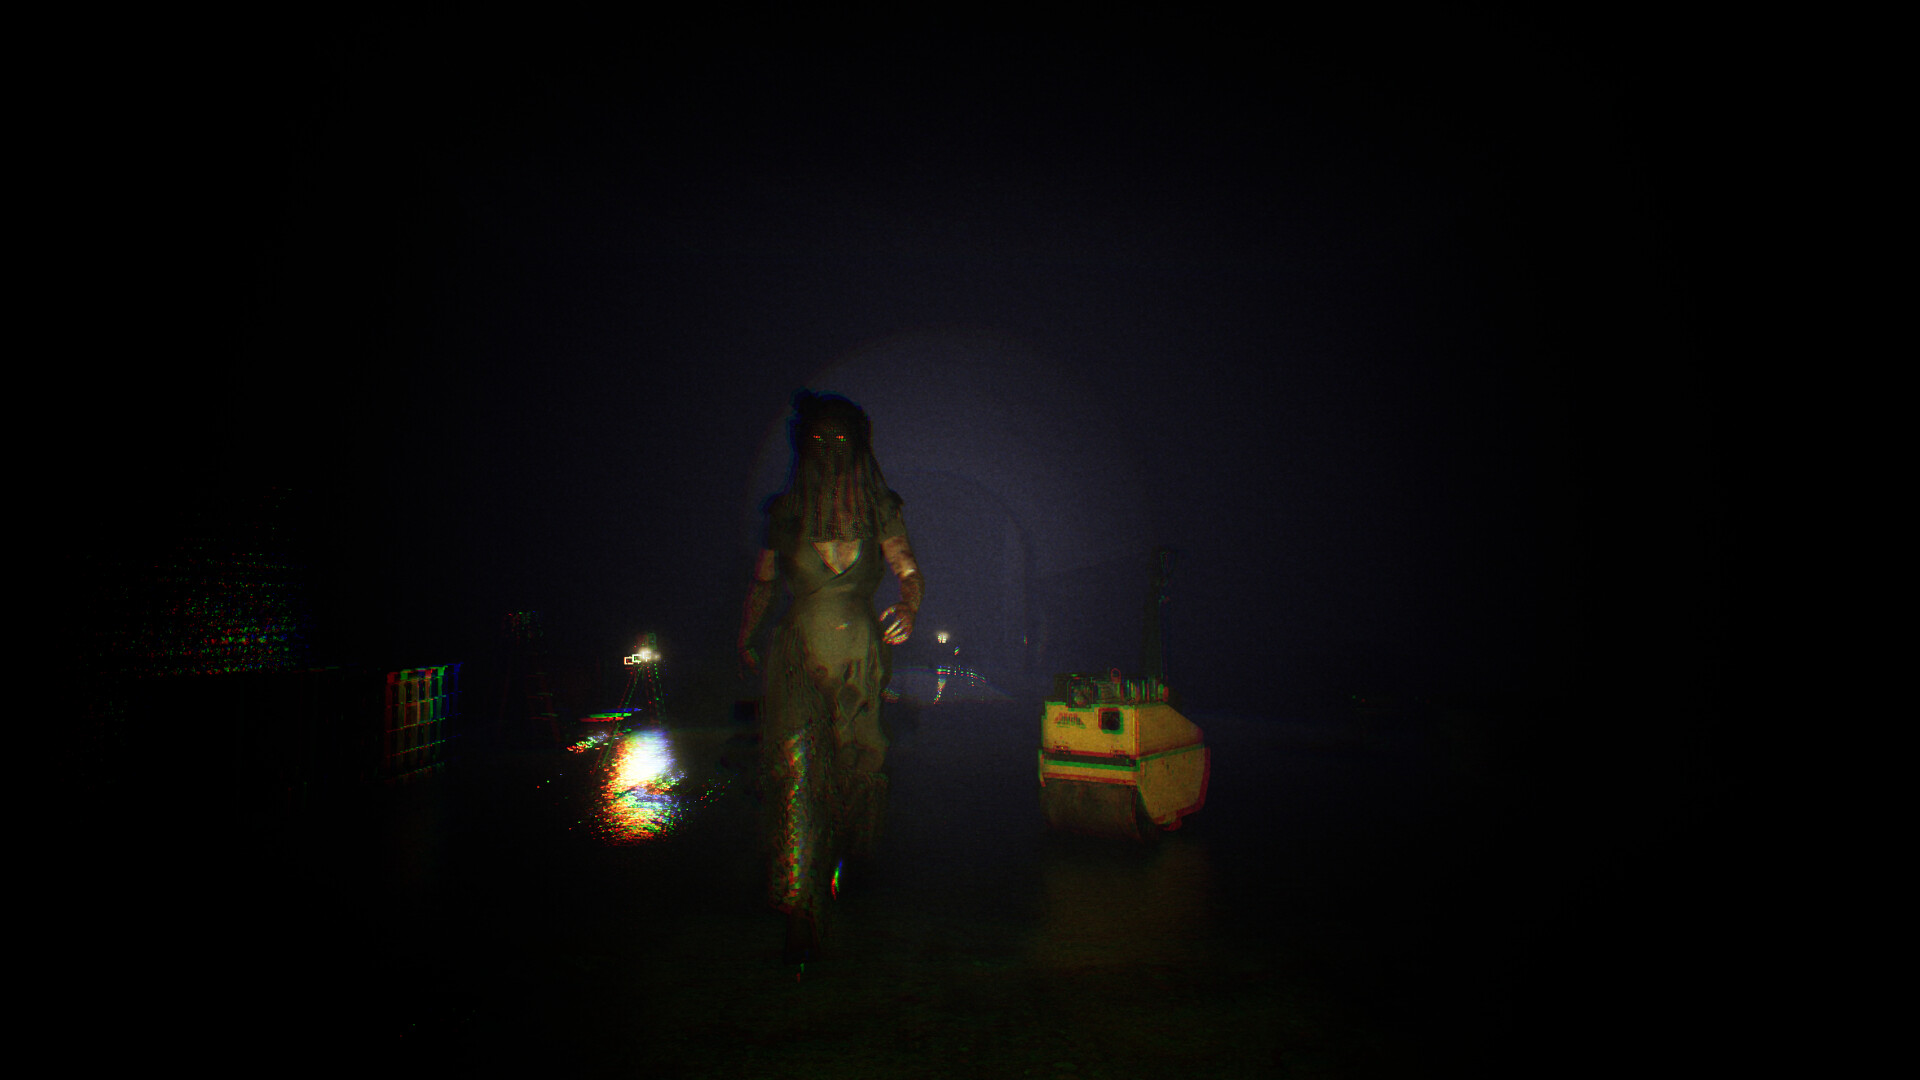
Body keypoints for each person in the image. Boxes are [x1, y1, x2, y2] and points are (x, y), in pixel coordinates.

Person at [737, 390, 923, 965]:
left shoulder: (879, 508)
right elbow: (764, 583)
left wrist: (910, 606)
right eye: (818, 439)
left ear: (859, 445)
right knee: (795, 770)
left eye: (840, 438)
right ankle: (800, 906)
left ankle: (843, 859)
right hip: (797, 652)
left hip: (860, 658)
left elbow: (908, 570)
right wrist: (748, 633)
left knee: (856, 768)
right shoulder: (787, 512)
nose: (829, 449)